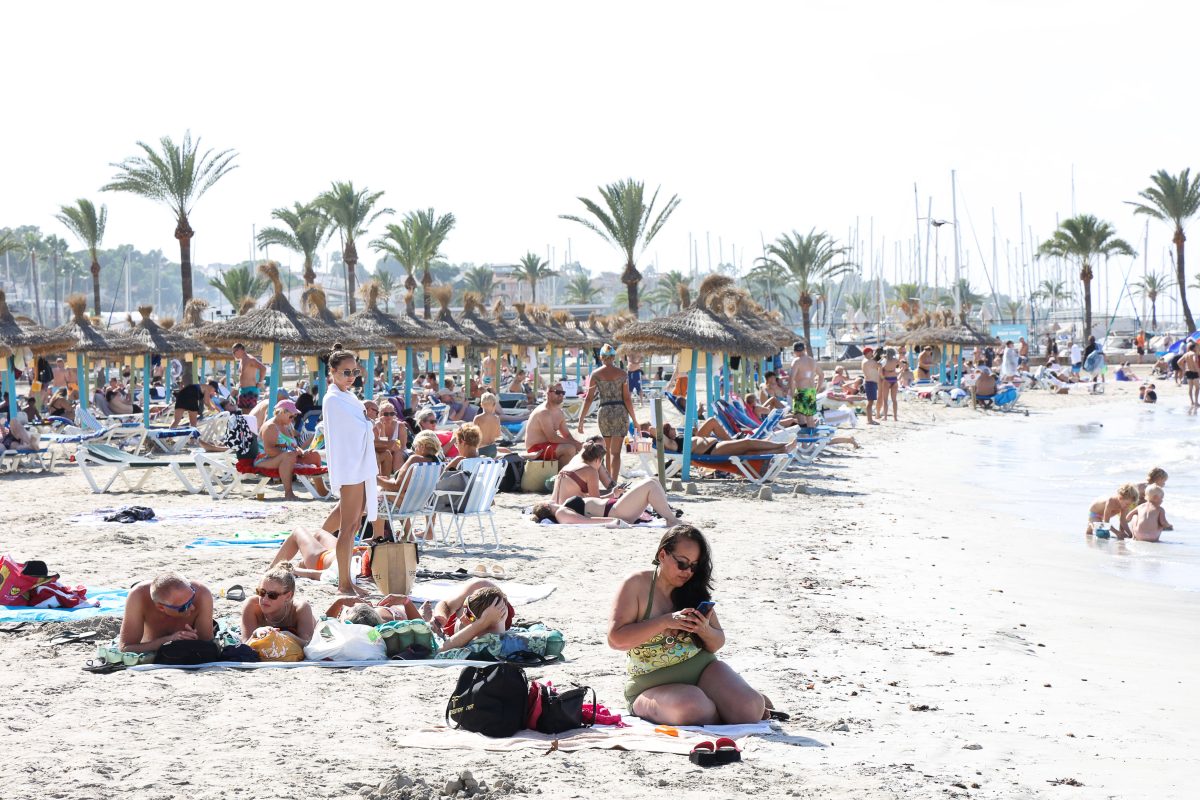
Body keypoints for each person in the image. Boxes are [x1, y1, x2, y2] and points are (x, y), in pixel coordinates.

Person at [607, 525, 765, 724]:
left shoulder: (693, 589)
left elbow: (717, 643)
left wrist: (703, 629)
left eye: (694, 566)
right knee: (695, 709)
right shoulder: (637, 584)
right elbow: (616, 640)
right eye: (682, 564)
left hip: (703, 669)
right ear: (662, 554)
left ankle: (733, 703)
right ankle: (721, 705)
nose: (688, 572)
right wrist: (665, 621)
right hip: (650, 683)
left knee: (750, 709)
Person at [320, 346, 378, 596]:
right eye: (345, 372)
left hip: (358, 465)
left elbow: (360, 424)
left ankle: (347, 579)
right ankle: (344, 583)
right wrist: (367, 421)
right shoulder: (333, 398)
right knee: (347, 527)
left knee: (354, 525)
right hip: (350, 467)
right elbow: (354, 429)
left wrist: (366, 420)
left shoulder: (347, 396)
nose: (351, 376)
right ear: (332, 372)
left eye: (354, 371)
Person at [577, 344, 639, 481]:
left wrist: (581, 419)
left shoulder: (596, 374)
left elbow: (588, 399)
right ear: (613, 357)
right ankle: (614, 483)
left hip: (604, 412)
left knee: (607, 450)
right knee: (616, 453)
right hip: (620, 412)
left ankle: (608, 482)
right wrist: (635, 421)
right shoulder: (623, 374)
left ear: (601, 357)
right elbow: (627, 399)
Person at [118, 572, 215, 654]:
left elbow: (209, 644)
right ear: (161, 607)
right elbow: (125, 649)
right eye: (184, 607)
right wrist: (168, 640)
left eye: (192, 599)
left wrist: (194, 640)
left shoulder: (202, 594)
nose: (192, 607)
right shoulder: (138, 596)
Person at [240, 563, 317, 647]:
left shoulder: (300, 609)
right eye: (261, 592)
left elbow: (308, 645)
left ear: (288, 596)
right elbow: (245, 645)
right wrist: (255, 634)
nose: (264, 599)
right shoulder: (252, 605)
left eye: (272, 595)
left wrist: (287, 635)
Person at [430, 580, 515, 647]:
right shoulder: (479, 587)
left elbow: (443, 649)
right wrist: (441, 615)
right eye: (465, 608)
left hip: (454, 636)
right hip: (451, 626)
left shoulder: (491, 636)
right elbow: (445, 604)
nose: (462, 617)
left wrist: (481, 623)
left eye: (469, 615)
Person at [256, 400, 312, 501]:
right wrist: (292, 453)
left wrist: (301, 452)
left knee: (313, 455)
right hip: (265, 460)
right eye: (291, 416)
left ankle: (321, 491)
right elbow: (269, 450)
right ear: (281, 412)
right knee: (289, 456)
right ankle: (288, 493)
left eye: (294, 416)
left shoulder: (287, 426)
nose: (293, 419)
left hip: (284, 457)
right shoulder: (271, 427)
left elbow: (293, 445)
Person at [525, 381, 580, 468]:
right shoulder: (543, 412)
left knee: (578, 449)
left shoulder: (559, 413)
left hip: (548, 446)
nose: (561, 395)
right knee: (569, 449)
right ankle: (560, 478)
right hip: (535, 449)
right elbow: (552, 438)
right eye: (558, 392)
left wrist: (578, 444)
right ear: (548, 393)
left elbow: (567, 435)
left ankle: (566, 477)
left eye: (563, 393)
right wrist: (574, 444)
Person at [267, 528, 340, 578]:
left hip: (321, 561)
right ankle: (303, 563)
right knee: (320, 533)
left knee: (297, 531)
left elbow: (325, 575)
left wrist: (295, 570)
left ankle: (272, 569)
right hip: (338, 555)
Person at [787, 341, 823, 427]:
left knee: (800, 417)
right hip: (811, 391)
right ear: (805, 349)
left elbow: (791, 379)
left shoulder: (796, 361)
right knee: (810, 418)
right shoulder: (812, 361)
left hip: (801, 392)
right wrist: (817, 389)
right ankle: (812, 438)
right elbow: (821, 375)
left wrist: (792, 393)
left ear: (795, 351)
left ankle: (805, 438)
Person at [374, 399, 407, 476]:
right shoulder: (376, 426)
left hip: (400, 452)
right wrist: (382, 429)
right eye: (386, 414)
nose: (389, 416)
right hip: (385, 452)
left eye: (392, 413)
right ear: (379, 415)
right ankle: (382, 480)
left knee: (397, 453)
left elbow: (401, 446)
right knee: (384, 453)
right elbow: (382, 446)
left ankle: (398, 479)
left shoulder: (400, 426)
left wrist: (390, 446)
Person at [232, 343, 266, 411]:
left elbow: (263, 368)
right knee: (244, 416)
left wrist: (260, 381)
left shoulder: (250, 359)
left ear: (240, 350)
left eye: (234, 351)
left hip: (250, 390)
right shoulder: (241, 360)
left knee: (250, 415)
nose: (233, 354)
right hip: (242, 390)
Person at [475, 392, 502, 458]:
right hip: (492, 448)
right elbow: (498, 434)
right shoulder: (496, 418)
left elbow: (473, 434)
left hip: (481, 448)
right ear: (494, 405)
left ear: (481, 405)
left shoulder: (478, 418)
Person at [878, 348, 900, 421]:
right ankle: (895, 417)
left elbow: (880, 371)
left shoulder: (884, 360)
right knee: (894, 400)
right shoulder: (895, 360)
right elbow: (903, 366)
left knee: (885, 400)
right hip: (894, 379)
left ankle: (885, 417)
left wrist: (883, 377)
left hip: (887, 379)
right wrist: (898, 373)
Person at [860, 347, 880, 425]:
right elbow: (880, 365)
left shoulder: (866, 361)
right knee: (870, 402)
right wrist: (883, 358)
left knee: (870, 402)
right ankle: (869, 420)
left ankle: (870, 419)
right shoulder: (868, 361)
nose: (872, 354)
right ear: (868, 353)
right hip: (870, 383)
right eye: (872, 352)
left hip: (871, 382)